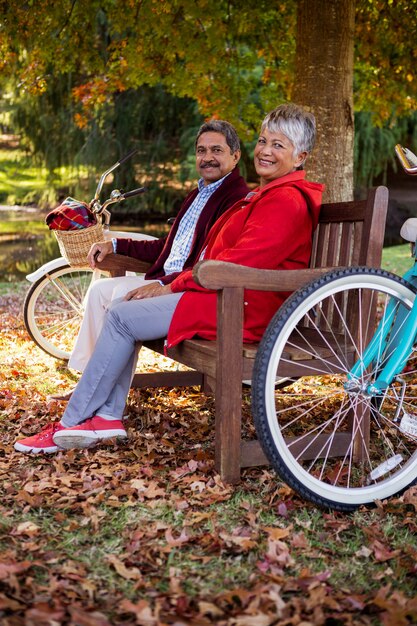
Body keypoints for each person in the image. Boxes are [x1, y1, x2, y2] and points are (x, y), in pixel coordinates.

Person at [15, 103, 324, 454]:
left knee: (120, 316)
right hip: (226, 296)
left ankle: (72, 423)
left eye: (278, 145)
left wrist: (169, 284)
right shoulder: (265, 195)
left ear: (300, 156)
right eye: (263, 140)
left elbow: (239, 263)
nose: (266, 150)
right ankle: (104, 418)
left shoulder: (284, 201)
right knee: (121, 310)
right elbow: (218, 258)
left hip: (244, 306)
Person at [64, 120, 249, 376]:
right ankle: (87, 377)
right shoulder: (199, 193)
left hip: (188, 289)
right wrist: (115, 244)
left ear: (235, 156)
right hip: (165, 279)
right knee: (98, 292)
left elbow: (210, 262)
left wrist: (164, 285)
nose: (207, 158)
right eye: (201, 151)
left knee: (120, 303)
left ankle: (103, 387)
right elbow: (168, 248)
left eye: (216, 150)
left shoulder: (234, 198)